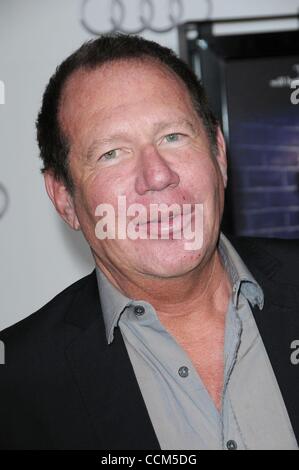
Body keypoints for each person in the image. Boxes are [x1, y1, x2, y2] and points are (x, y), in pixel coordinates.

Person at [0, 34, 298, 450]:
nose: (157, 175)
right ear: (64, 198)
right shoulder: (16, 388)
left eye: (174, 136)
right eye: (112, 153)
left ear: (219, 154)